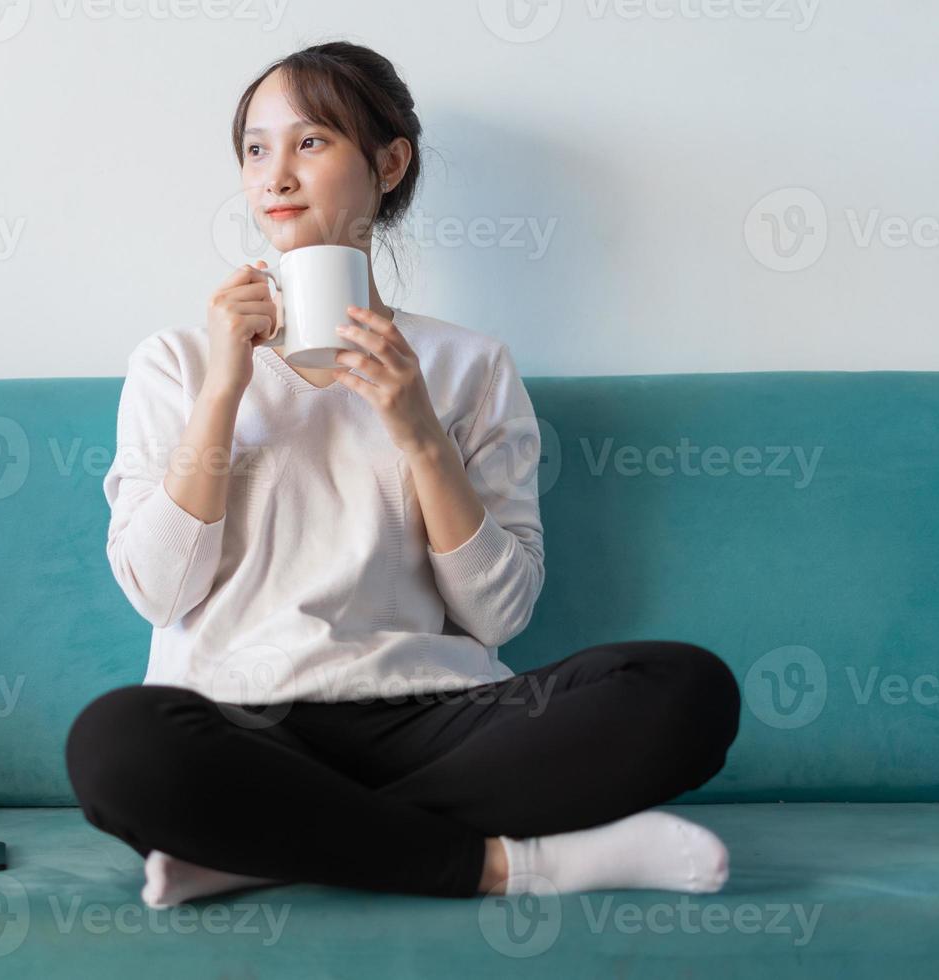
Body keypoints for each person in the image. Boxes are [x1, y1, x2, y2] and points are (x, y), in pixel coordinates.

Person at [66, 40, 741, 909]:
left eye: (310, 143)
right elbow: (160, 592)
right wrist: (225, 389)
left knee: (685, 691)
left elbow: (497, 613)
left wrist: (420, 432)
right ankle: (507, 866)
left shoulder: (469, 366)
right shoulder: (179, 363)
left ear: (388, 163)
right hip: (240, 718)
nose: (275, 176)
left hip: (432, 718)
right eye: (255, 149)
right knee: (116, 745)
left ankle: (271, 844)